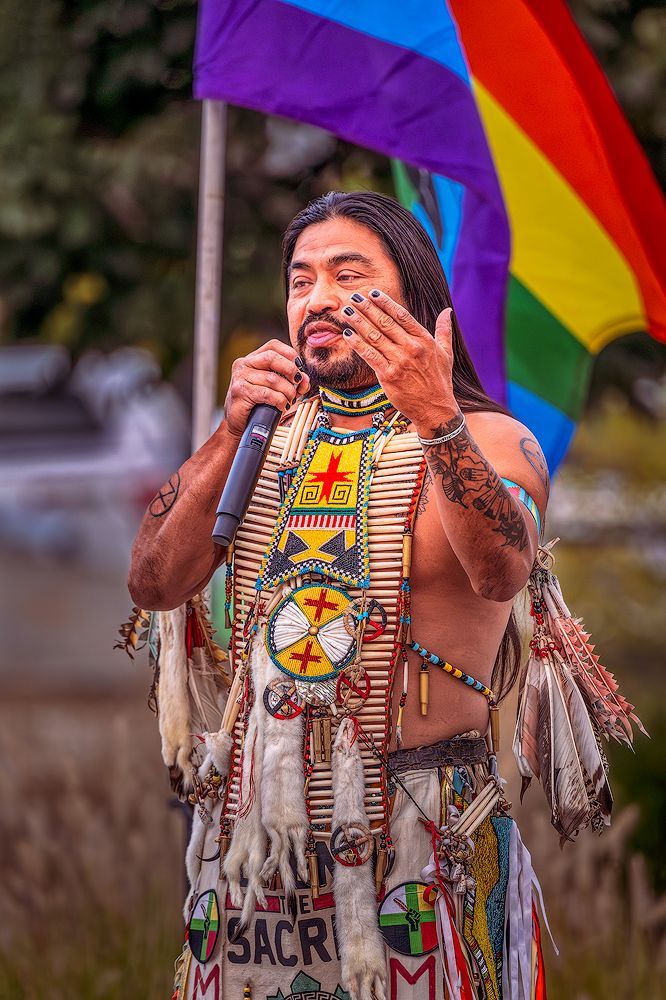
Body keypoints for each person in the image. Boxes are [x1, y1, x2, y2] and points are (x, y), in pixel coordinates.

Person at [129, 191, 552, 1000]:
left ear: (416, 302)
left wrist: (434, 416)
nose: (316, 299)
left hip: (423, 834)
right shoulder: (256, 439)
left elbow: (502, 572)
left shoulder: (493, 439)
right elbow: (153, 582)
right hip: (257, 845)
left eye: (347, 276)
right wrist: (227, 431)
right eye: (300, 280)